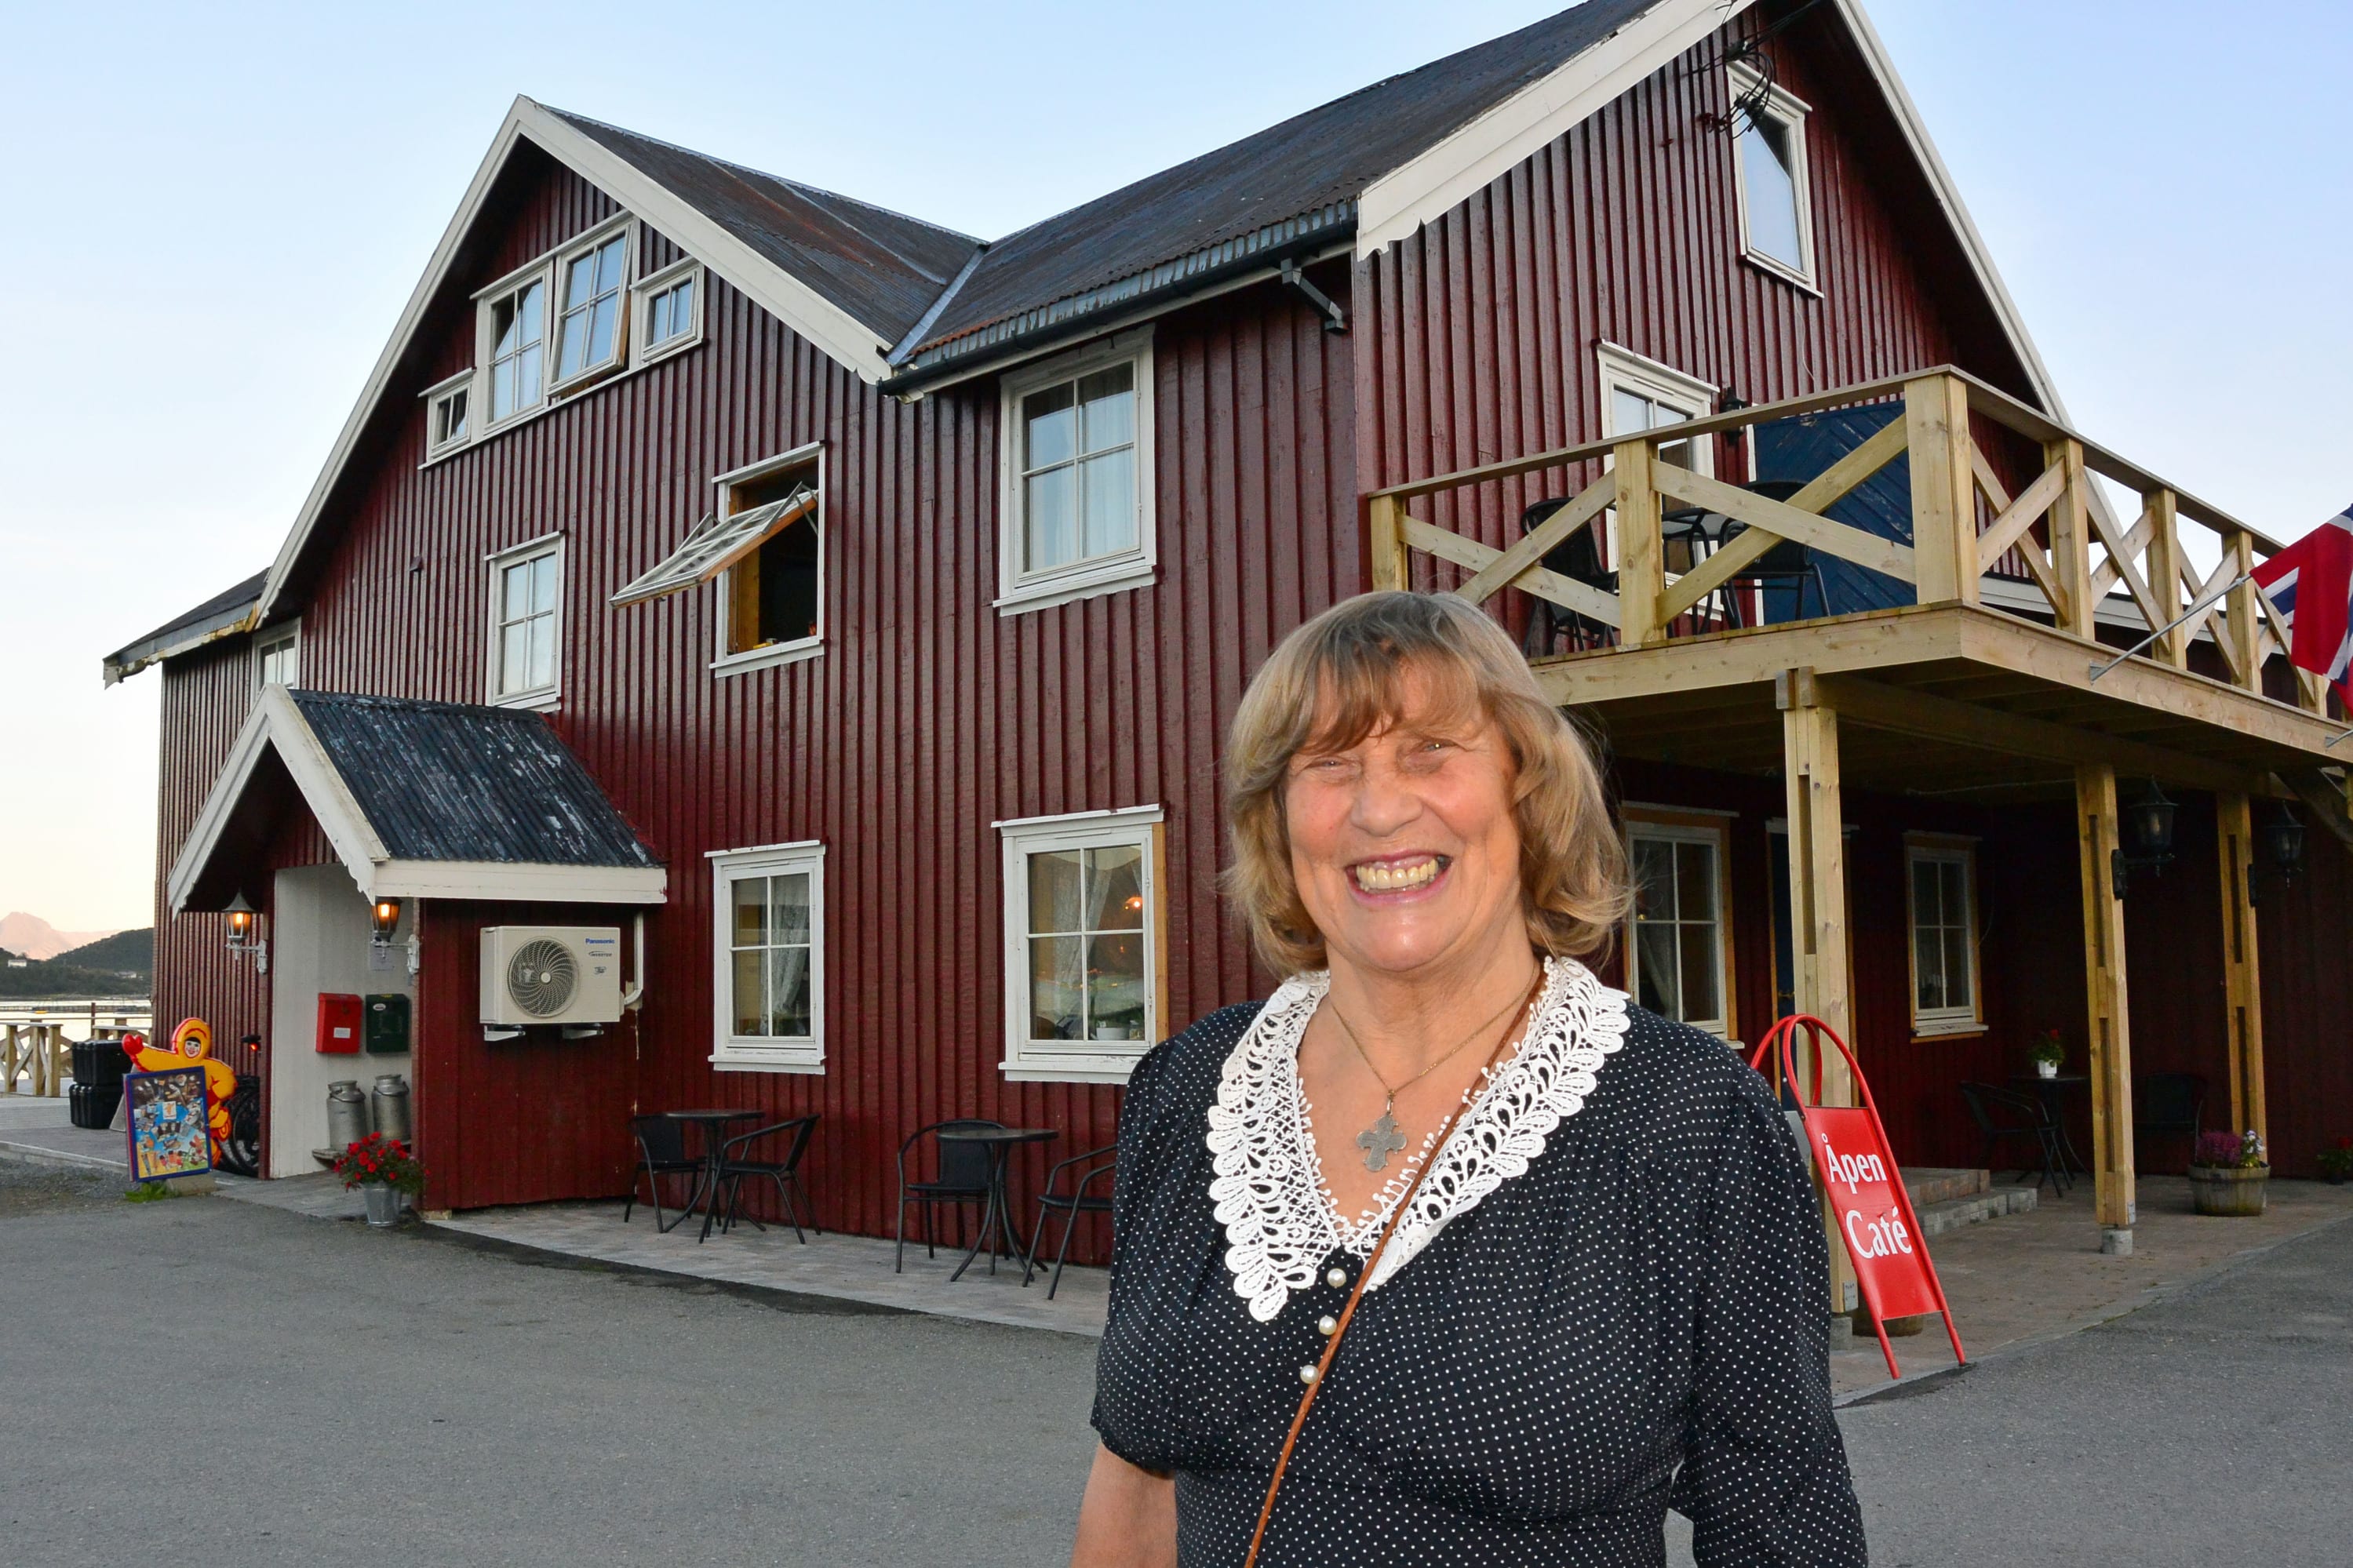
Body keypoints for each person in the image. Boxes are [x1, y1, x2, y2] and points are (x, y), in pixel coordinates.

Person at [1069, 591, 1863, 1566]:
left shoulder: (1688, 1115)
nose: (1377, 808)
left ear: (1526, 787)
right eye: (1329, 763)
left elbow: (1782, 1526)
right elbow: (1134, 1478)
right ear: (1277, 819)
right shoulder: (1188, 1087)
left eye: (1430, 750)